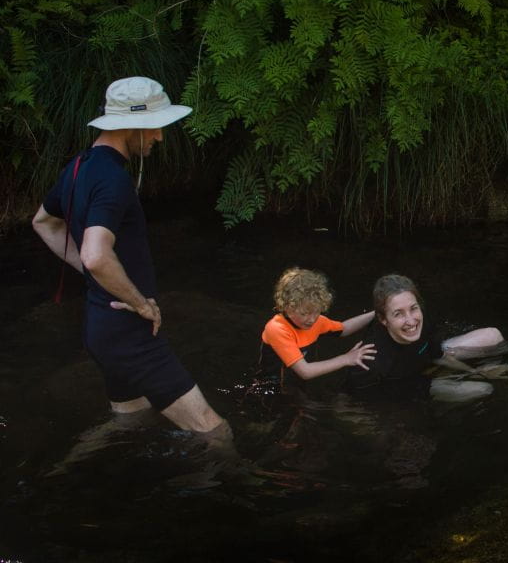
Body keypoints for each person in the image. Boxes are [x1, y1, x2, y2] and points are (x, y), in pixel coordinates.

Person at [32, 76, 231, 451]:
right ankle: (240, 502)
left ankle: (68, 471)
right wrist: (141, 304)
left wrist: (96, 277)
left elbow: (44, 222)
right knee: (214, 431)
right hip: (129, 334)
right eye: (156, 126)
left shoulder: (79, 167)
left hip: (101, 328)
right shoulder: (113, 180)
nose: (160, 137)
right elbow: (95, 253)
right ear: (133, 126)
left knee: (131, 421)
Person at [347, 274, 508, 402]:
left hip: (422, 359)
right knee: (483, 389)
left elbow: (438, 354)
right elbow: (352, 401)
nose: (411, 321)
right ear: (383, 319)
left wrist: (473, 371)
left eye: (413, 308)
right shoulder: (371, 361)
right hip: (411, 385)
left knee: (492, 335)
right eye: (398, 314)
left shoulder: (422, 319)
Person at [260, 267, 376, 385]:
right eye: (304, 313)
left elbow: (344, 329)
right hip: (271, 390)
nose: (311, 320)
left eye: (316, 312)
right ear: (287, 308)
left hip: (297, 385)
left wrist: (376, 313)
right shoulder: (276, 329)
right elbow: (305, 372)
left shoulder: (317, 322)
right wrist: (346, 358)